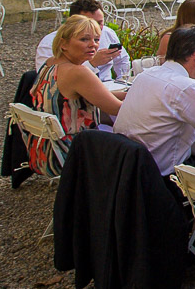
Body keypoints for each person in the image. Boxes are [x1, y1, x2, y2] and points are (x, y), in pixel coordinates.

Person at [113, 25, 195, 177]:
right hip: (162, 176)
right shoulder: (184, 87)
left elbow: (190, 110)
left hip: (129, 167)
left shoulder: (147, 75)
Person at [26, 15, 126, 176]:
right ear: (64, 44)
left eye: (96, 39)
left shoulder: (51, 63)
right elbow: (117, 109)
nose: (92, 44)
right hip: (69, 151)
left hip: (43, 149)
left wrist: (130, 94)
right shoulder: (77, 72)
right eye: (84, 39)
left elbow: (95, 95)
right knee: (139, 149)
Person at [35, 0, 130, 82]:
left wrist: (122, 81)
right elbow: (47, 81)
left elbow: (122, 59)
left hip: (109, 86)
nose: (96, 27)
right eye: (88, 23)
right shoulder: (49, 43)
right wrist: (92, 63)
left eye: (100, 23)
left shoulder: (107, 33)